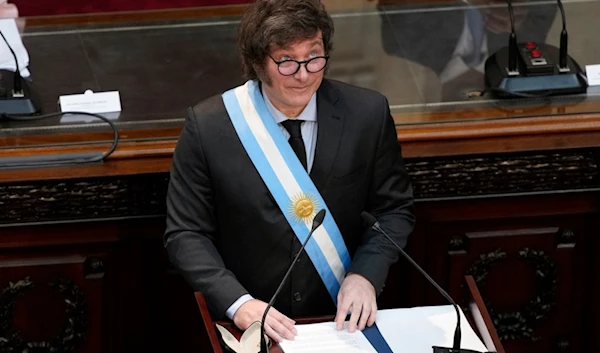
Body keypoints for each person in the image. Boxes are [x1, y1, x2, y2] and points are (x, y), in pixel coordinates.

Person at [164, 0, 415, 344]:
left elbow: (393, 210)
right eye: (286, 61)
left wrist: (365, 275)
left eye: (314, 56)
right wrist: (239, 304)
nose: (303, 74)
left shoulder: (366, 114)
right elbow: (186, 233)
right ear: (258, 63)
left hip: (342, 324)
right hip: (250, 326)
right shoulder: (209, 127)